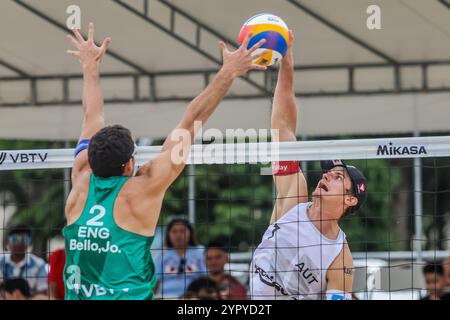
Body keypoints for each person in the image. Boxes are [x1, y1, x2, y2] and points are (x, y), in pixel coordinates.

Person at [64, 22, 267, 300]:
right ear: (127, 165)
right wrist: (229, 72)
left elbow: (92, 117)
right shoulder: (142, 189)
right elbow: (191, 121)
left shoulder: (80, 177)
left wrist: (89, 67)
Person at [249, 31, 368, 300]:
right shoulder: (294, 199)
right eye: (330, 172)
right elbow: (282, 127)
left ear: (350, 199)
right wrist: (287, 58)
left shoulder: (340, 254)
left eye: (338, 176)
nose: (327, 175)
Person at [154, 219, 206, 299]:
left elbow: (207, 278)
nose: (178, 235)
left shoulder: (200, 252)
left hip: (193, 297)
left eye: (182, 231)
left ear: (190, 233)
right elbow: (155, 282)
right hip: (166, 297)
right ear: (168, 234)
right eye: (174, 232)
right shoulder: (162, 254)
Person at [0, 224, 48, 297]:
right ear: (8, 242)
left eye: (25, 239)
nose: (20, 243)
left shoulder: (39, 264)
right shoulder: (0, 261)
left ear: (30, 243)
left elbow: (43, 293)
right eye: (15, 239)